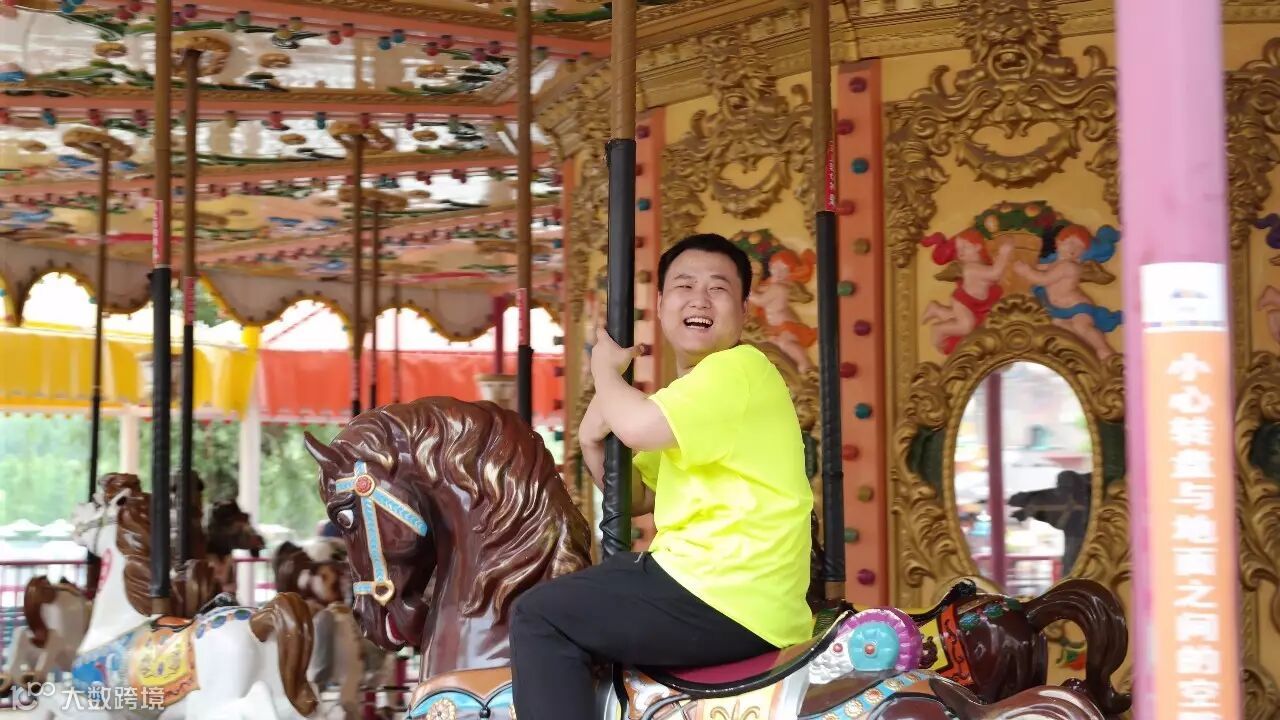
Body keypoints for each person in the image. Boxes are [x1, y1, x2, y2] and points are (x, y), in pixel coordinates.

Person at [509, 233, 814, 720]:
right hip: (718, 587)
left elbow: (639, 426)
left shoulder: (740, 368)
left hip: (725, 590)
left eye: (718, 288)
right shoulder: (694, 392)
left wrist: (605, 372)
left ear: (744, 310)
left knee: (538, 615)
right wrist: (591, 442)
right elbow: (637, 497)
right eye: (684, 285)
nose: (699, 299)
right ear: (660, 303)